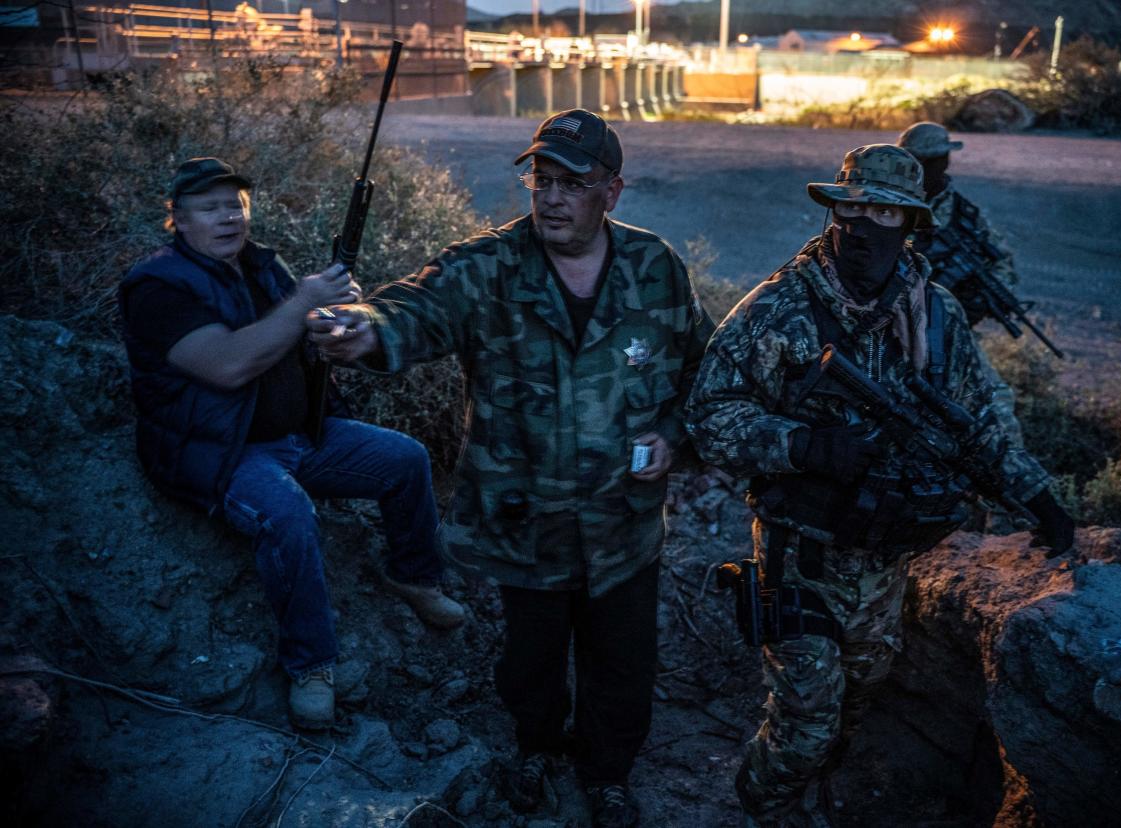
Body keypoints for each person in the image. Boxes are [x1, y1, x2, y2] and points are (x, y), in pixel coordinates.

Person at [307, 110, 714, 828]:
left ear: (611, 192)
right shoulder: (486, 267)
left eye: (572, 184)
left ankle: (607, 772)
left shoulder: (655, 268)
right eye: (540, 180)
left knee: (621, 662)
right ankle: (535, 747)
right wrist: (362, 329)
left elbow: (700, 372)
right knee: (530, 656)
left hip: (625, 522)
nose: (551, 197)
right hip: (525, 521)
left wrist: (672, 438)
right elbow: (414, 306)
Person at [684, 145, 1075, 827]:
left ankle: (802, 801)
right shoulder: (780, 309)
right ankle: (759, 807)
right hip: (800, 551)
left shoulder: (935, 313)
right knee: (803, 724)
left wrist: (1036, 497)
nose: (862, 225)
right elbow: (708, 418)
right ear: (833, 212)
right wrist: (799, 444)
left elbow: (979, 418)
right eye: (851, 208)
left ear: (909, 224)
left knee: (855, 702)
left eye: (883, 211)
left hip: (884, 560)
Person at [118, 157, 464, 730]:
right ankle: (311, 665)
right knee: (287, 512)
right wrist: (302, 303)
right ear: (177, 218)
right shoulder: (157, 287)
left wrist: (334, 321)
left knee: (405, 458)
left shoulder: (260, 265)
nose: (229, 217)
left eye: (236, 204)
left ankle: (413, 575)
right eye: (210, 207)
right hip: (221, 453)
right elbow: (229, 366)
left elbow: (298, 331)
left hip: (300, 436)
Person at [897, 121, 1026, 444]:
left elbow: (1002, 265)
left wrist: (976, 302)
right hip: (891, 325)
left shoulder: (966, 215)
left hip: (948, 328)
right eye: (922, 162)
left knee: (994, 408)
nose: (931, 169)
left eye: (935, 161)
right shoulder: (888, 204)